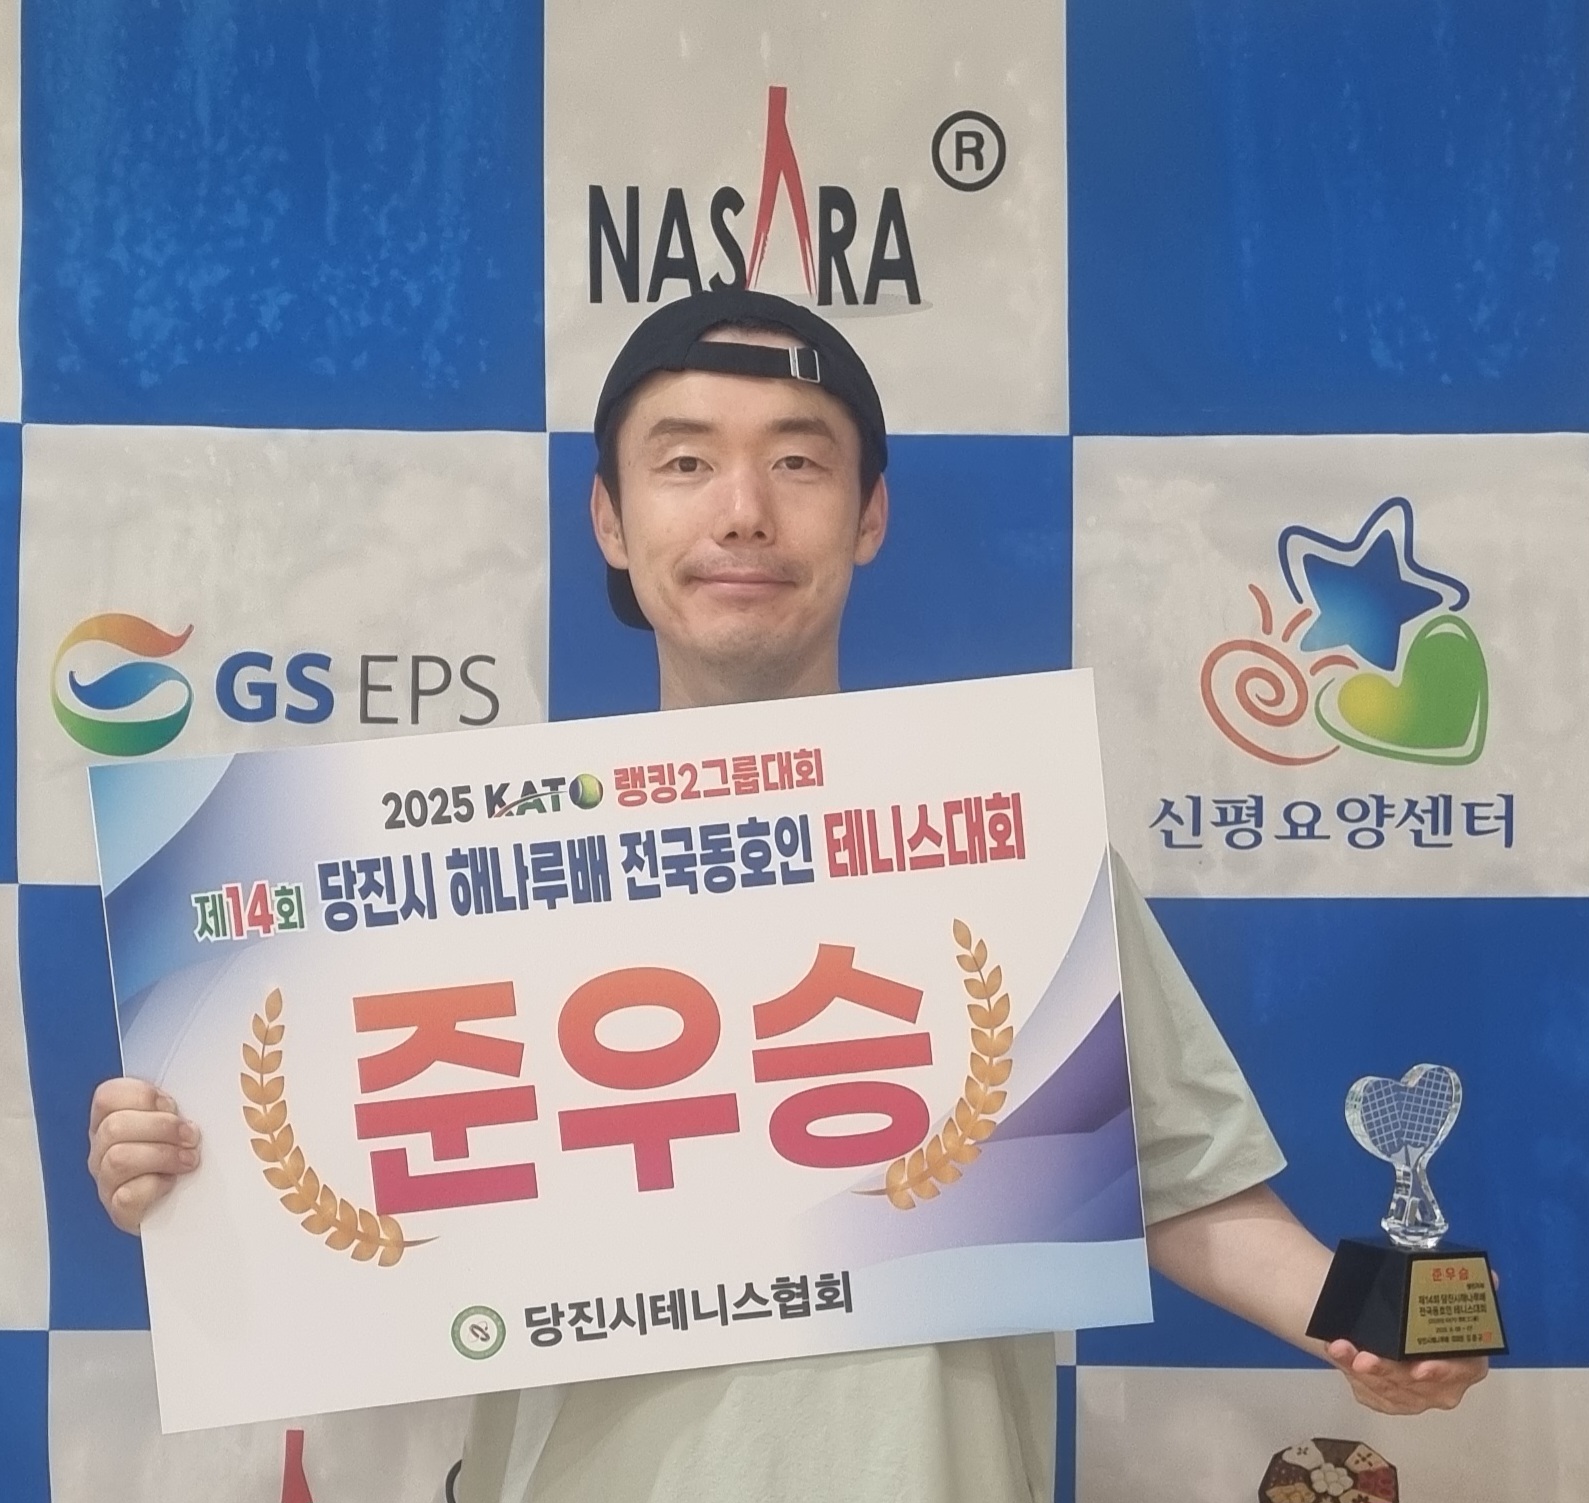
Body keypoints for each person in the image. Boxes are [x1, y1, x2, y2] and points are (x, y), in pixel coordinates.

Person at [87, 289, 1488, 1502]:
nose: (742, 511)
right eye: (684, 461)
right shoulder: (445, 883)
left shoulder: (1004, 842)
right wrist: (187, 1170)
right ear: (611, 518)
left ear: (868, 514)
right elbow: (317, 1205)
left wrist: (1361, 1323)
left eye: (798, 461)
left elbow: (1178, 1187)